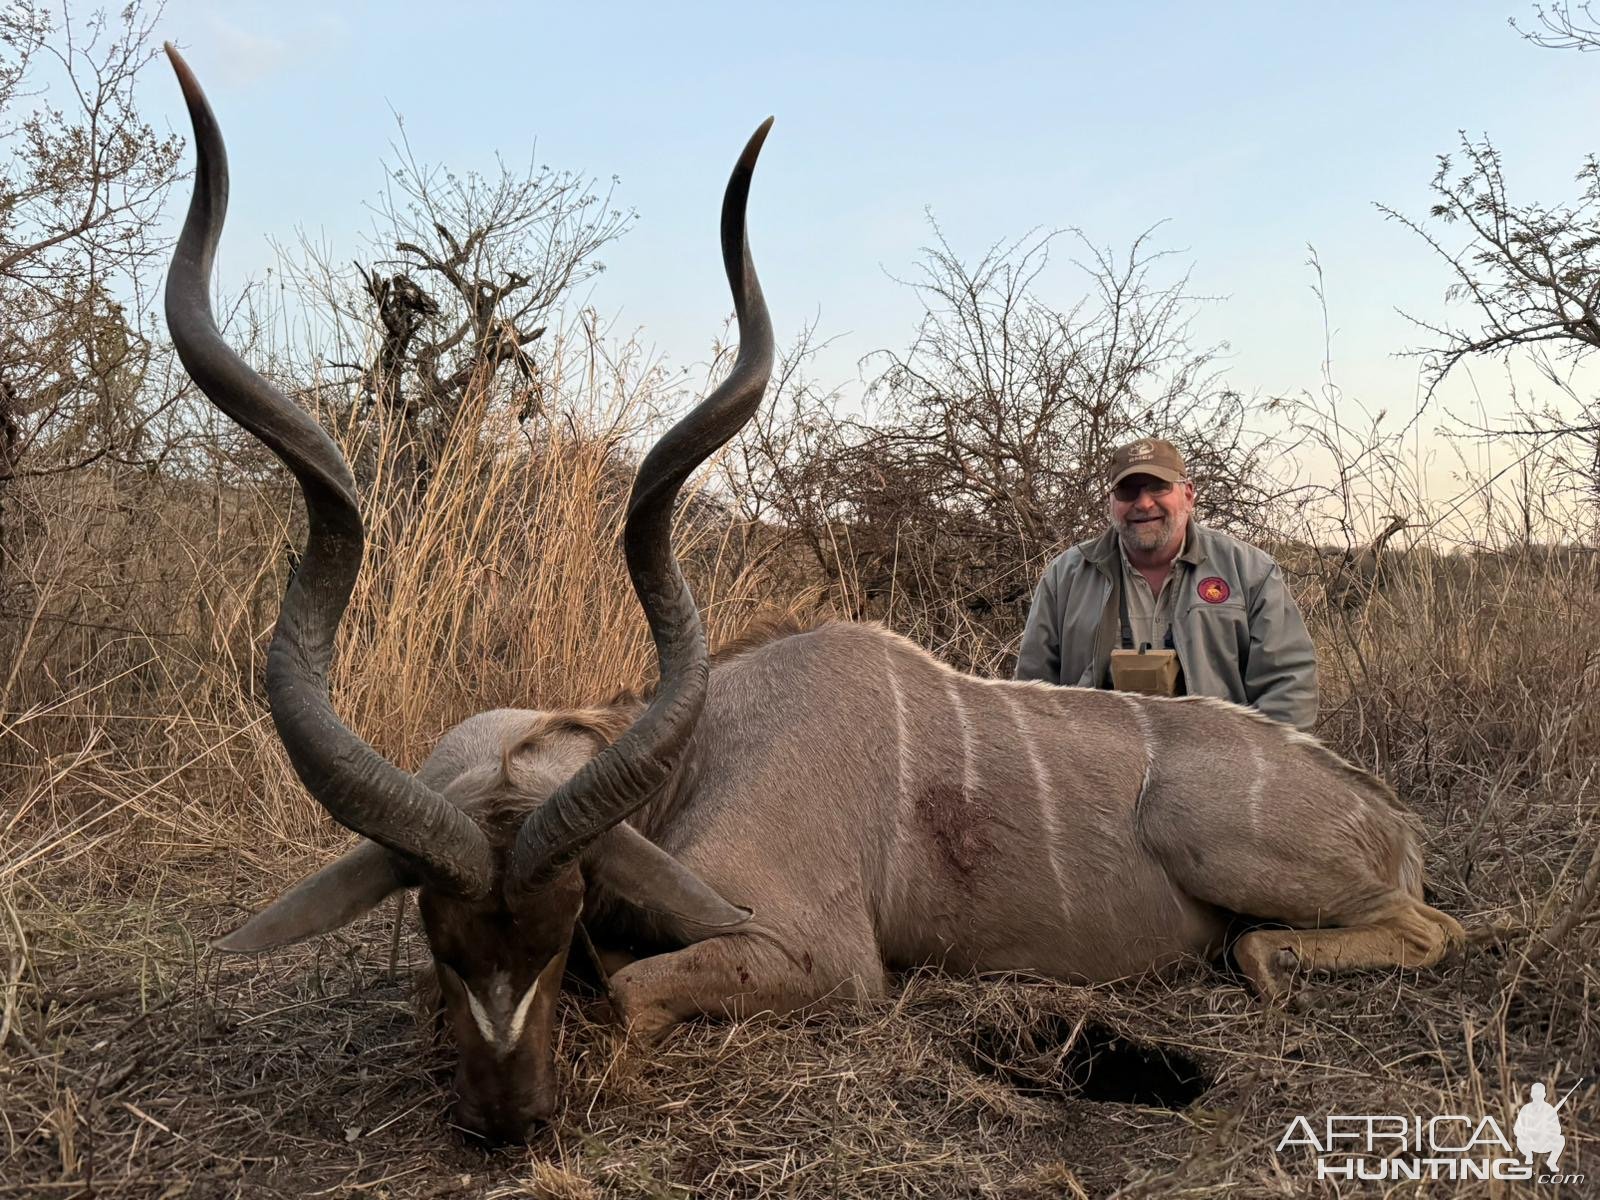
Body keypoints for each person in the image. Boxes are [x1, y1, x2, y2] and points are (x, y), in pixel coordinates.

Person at [1014, 437, 1317, 730]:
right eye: (1127, 490)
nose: (1143, 503)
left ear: (1188, 494)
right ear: (1111, 502)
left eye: (1158, 486)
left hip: (1219, 768)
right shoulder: (1064, 576)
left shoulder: (1250, 570)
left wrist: (1250, 767)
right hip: (1100, 770)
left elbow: (1289, 683)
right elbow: (1033, 693)